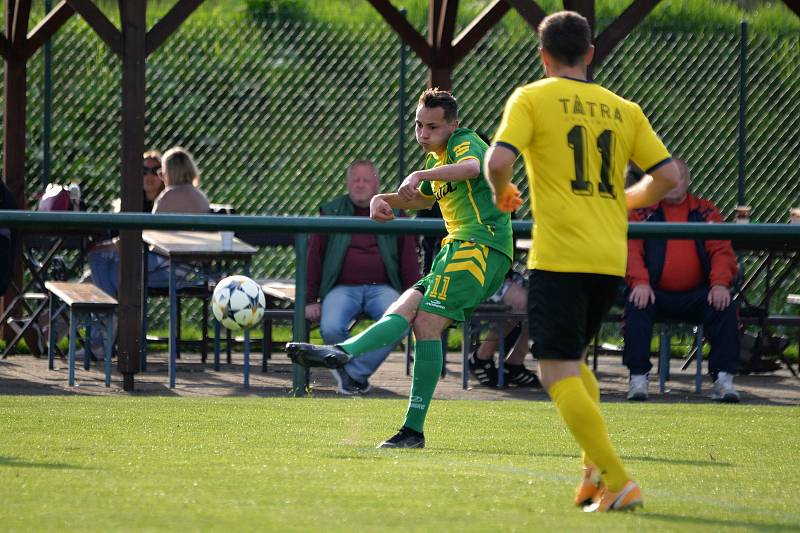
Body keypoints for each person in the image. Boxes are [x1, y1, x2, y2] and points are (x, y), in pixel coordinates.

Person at [484, 11, 681, 513]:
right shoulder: (624, 108)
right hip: (608, 257)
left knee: (554, 372)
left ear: (543, 55)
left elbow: (498, 159)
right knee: (570, 364)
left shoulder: (532, 96)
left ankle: (617, 477)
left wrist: (504, 191)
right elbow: (667, 177)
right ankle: (595, 467)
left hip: (561, 254)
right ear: (590, 54)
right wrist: (623, 201)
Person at [288, 88, 517, 449]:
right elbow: (422, 196)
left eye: (432, 127)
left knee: (425, 321)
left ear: (453, 125)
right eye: (418, 125)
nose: (423, 134)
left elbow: (474, 168)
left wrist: (415, 174)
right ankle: (405, 423)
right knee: (412, 311)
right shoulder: (434, 163)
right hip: (459, 248)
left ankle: (351, 356)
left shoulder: (464, 141)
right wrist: (382, 198)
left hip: (479, 247)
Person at [624, 158, 740, 402]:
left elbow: (721, 250)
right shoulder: (642, 212)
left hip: (697, 293)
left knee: (725, 304)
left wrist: (719, 283)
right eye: (669, 176)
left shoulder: (706, 211)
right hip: (653, 292)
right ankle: (638, 378)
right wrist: (640, 282)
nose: (674, 182)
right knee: (636, 302)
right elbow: (630, 250)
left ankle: (723, 379)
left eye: (680, 177)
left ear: (688, 180)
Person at [306, 159, 421, 395]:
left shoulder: (394, 211)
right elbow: (313, 258)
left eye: (365, 179)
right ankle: (354, 375)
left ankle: (353, 374)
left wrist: (413, 295)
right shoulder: (331, 211)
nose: (360, 185)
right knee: (331, 327)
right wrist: (310, 299)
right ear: (347, 183)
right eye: (355, 179)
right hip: (341, 288)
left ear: (376, 183)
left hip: (383, 288)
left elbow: (409, 258)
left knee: (399, 322)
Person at [87, 150, 165, 300]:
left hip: (152, 264)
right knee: (85, 283)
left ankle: (111, 319)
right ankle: (43, 322)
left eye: (155, 171)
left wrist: (114, 245)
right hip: (121, 261)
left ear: (163, 174)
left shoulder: (167, 202)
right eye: (143, 171)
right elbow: (117, 237)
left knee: (93, 278)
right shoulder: (130, 202)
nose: (149, 176)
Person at [467, 267, 540, 388]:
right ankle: (481, 359)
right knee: (526, 304)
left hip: (504, 273)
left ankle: (513, 364)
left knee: (545, 301)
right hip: (473, 275)